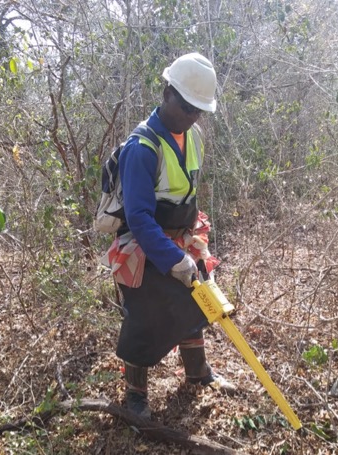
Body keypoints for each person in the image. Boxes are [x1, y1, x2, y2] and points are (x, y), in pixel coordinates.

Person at [110, 52, 235, 418]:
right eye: (187, 107)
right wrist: (172, 260)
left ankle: (197, 372)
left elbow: (189, 192)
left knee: (198, 302)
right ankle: (135, 394)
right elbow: (138, 217)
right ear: (167, 94)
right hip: (146, 244)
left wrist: (190, 248)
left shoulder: (193, 135)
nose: (193, 116)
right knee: (145, 315)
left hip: (182, 235)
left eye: (199, 110)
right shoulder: (142, 148)